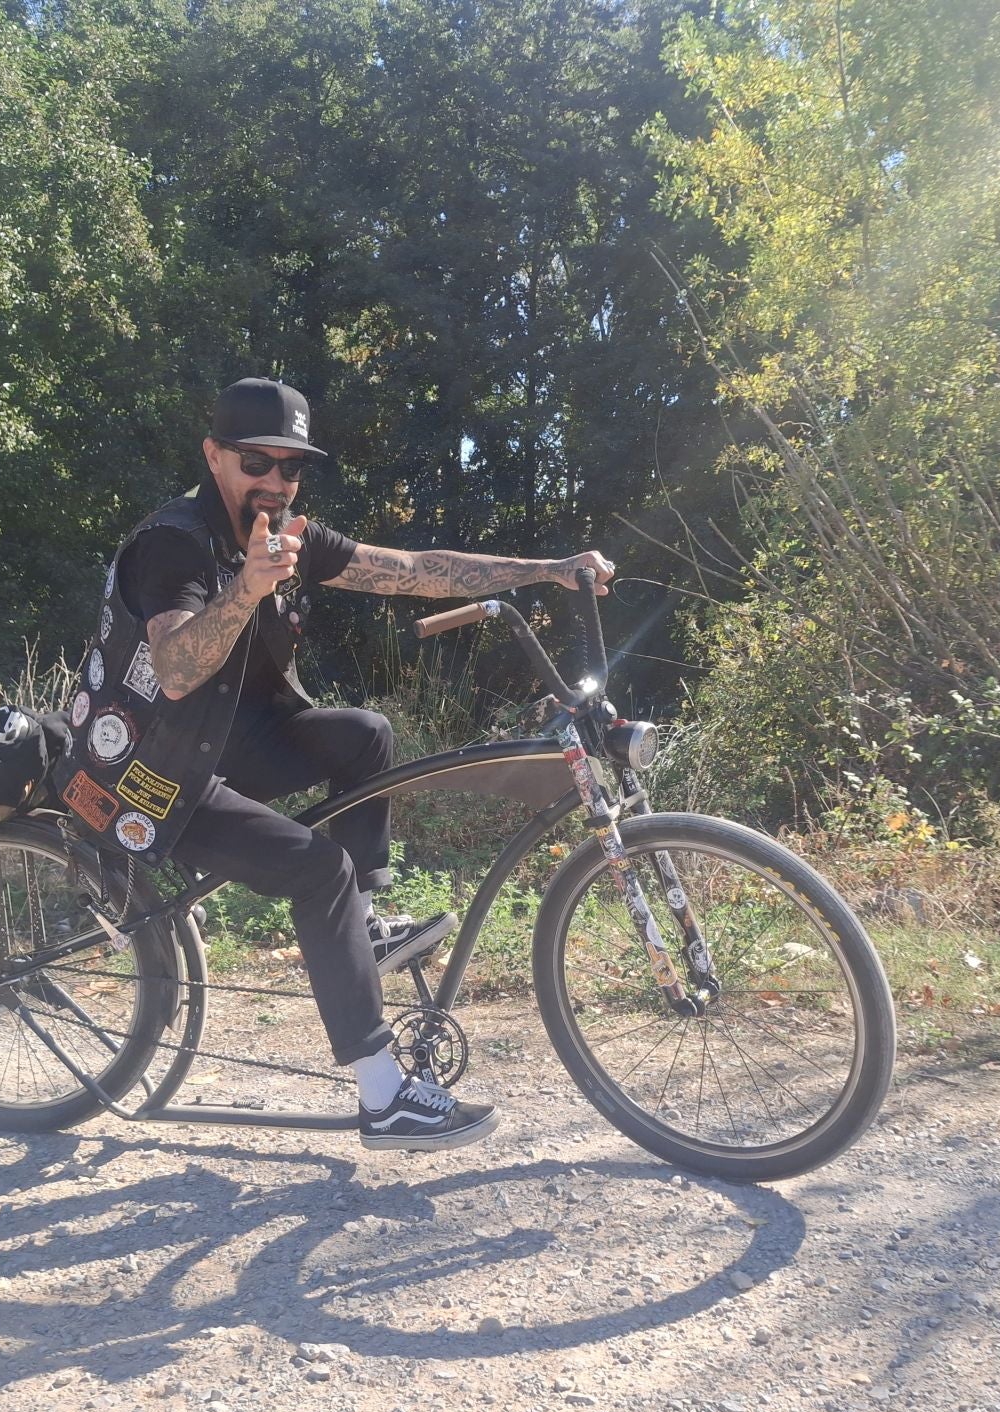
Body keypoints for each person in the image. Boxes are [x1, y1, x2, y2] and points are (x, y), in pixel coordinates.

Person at [55, 378, 614, 1150]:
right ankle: (383, 1097)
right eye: (258, 462)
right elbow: (177, 669)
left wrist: (547, 568)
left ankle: (365, 928)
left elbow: (416, 569)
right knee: (319, 869)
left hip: (223, 746)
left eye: (292, 468)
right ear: (214, 456)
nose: (276, 483)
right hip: (149, 777)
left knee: (363, 734)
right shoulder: (174, 545)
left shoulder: (289, 535)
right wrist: (248, 588)